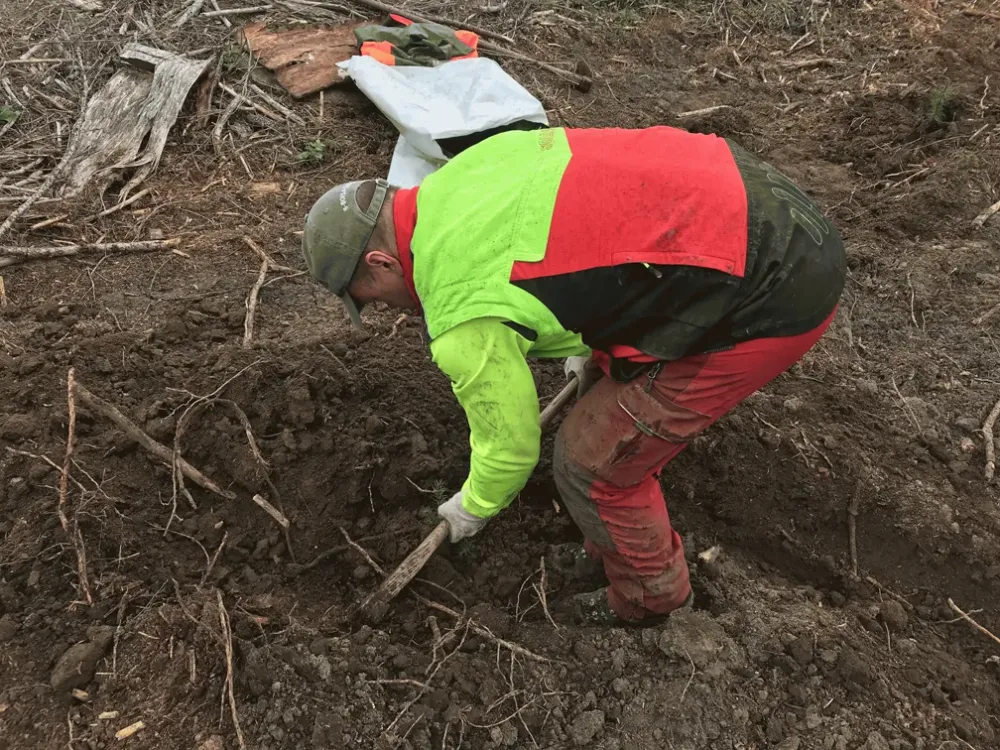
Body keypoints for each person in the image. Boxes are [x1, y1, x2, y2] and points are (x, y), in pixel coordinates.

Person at [301, 125, 845, 626]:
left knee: (590, 463)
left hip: (771, 285)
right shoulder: (467, 172)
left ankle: (649, 601)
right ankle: (607, 544)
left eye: (365, 298)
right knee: (602, 394)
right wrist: (591, 342)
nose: (382, 311)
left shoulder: (460, 315)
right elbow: (576, 229)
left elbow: (511, 449)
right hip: (754, 194)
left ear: (381, 263)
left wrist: (474, 505)